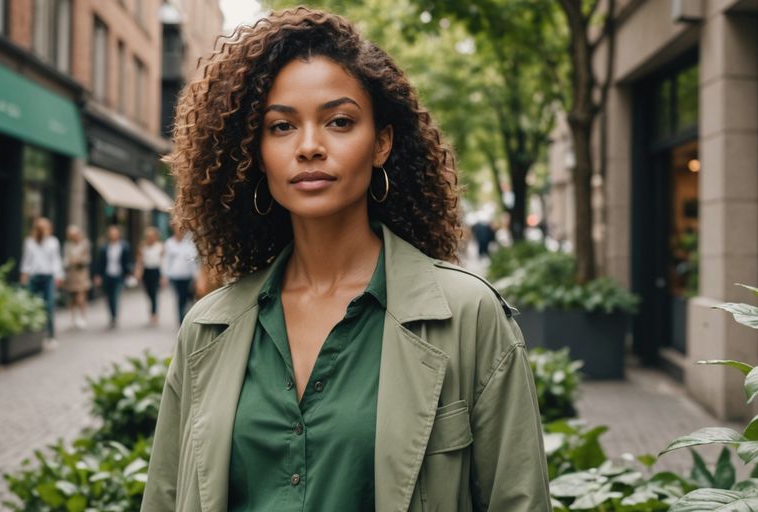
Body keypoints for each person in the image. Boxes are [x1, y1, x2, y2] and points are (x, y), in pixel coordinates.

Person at [140, 8, 549, 512]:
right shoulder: (208, 329)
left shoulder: (468, 317)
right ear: (254, 151)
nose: (310, 147)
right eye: (282, 126)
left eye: (339, 121)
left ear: (381, 142)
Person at [19, 217, 64, 343]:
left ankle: (51, 335)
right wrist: (23, 276)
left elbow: (56, 260)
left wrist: (59, 276)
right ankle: (31, 334)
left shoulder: (53, 242)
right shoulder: (29, 242)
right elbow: (26, 261)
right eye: (40, 228)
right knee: (29, 305)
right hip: (33, 277)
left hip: (48, 277)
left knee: (49, 306)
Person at [93, 225, 133, 329]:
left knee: (115, 296)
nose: (113, 236)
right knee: (109, 298)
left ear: (118, 234)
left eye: (115, 234)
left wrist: (129, 273)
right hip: (107, 275)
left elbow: (127, 261)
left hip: (119, 275)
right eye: (111, 234)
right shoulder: (104, 247)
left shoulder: (124, 246)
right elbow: (100, 262)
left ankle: (114, 317)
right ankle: (112, 315)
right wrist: (98, 275)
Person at [161, 222, 198, 324]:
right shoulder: (169, 243)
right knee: (180, 297)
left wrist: (196, 276)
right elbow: (166, 260)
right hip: (175, 276)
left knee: (187, 297)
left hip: (187, 276)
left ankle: (186, 317)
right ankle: (181, 319)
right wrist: (164, 276)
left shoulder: (189, 244)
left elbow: (193, 261)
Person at [62, 225, 92, 329]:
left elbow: (86, 258)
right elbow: (66, 260)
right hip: (71, 274)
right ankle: (73, 318)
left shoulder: (84, 244)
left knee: (81, 296)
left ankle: (82, 316)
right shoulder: (67, 245)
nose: (74, 237)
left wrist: (77, 260)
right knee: (73, 298)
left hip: (81, 274)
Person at [136, 226, 164, 326]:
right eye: (148, 236)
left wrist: (163, 276)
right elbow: (139, 261)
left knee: (154, 292)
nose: (150, 238)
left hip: (156, 271)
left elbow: (162, 262)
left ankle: (154, 313)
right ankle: (153, 311)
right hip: (146, 272)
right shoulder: (143, 247)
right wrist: (138, 273)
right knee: (148, 292)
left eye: (152, 236)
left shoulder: (160, 246)